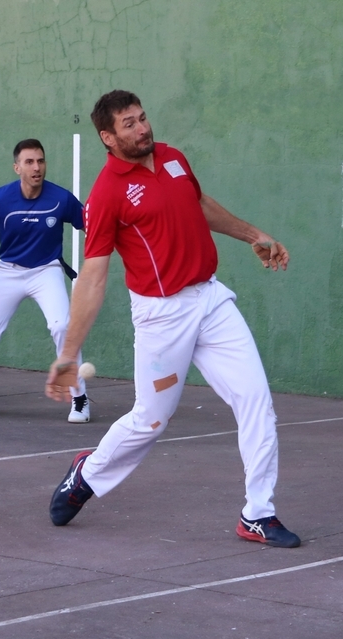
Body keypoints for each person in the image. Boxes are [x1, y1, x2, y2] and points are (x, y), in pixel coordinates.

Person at [43, 90, 300, 548]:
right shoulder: (107, 193)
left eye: (143, 118)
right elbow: (93, 278)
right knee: (151, 419)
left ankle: (258, 514)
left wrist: (252, 235)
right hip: (161, 316)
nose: (142, 128)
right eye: (129, 124)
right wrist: (68, 355)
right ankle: (88, 474)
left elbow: (198, 203)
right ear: (107, 137)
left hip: (211, 300)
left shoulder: (173, 158)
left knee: (257, 401)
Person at [0, 139, 90, 423]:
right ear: (17, 168)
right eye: (29, 162)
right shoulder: (1, 198)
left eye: (40, 161)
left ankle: (79, 398)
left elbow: (92, 224)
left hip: (46, 270)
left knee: (62, 326)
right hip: (8, 273)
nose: (36, 167)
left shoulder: (61, 199)